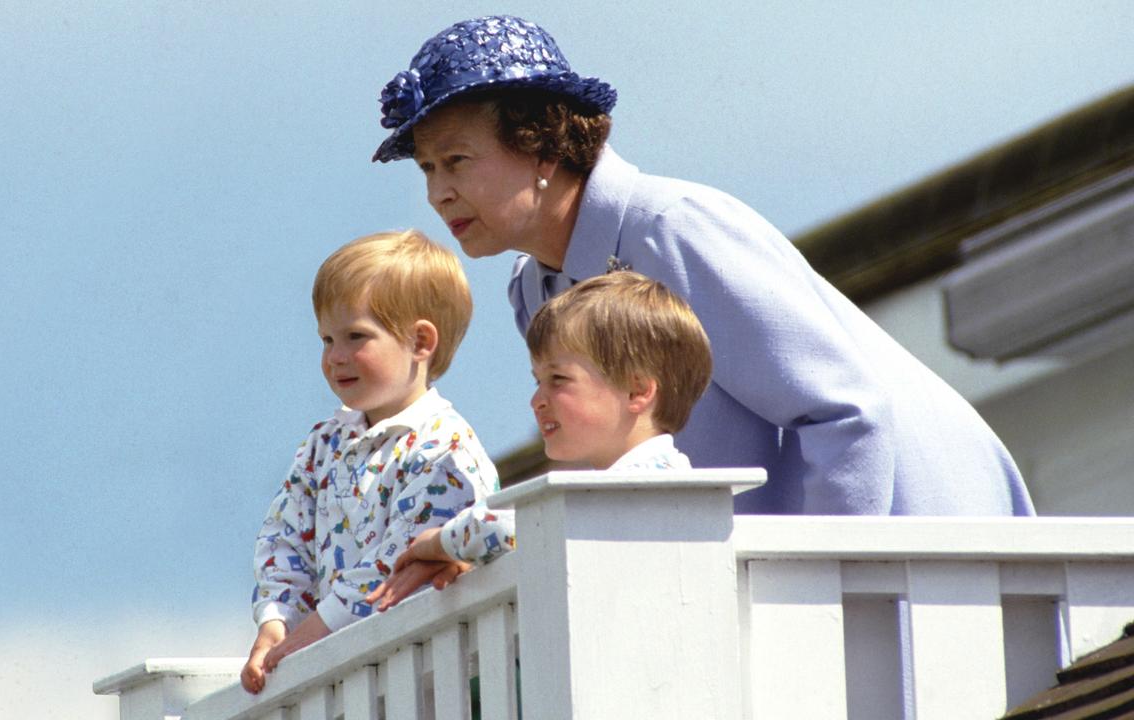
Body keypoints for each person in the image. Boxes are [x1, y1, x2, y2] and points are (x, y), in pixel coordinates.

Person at [371, 15, 1034, 517]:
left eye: (456, 160)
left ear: (540, 145)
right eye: (428, 168)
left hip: (928, 549)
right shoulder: (535, 288)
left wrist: (809, 601)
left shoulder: (672, 228)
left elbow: (845, 413)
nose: (437, 192)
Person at [240, 230, 499, 694]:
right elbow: (285, 533)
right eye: (326, 339)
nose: (335, 357)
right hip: (343, 678)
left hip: (427, 678)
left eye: (356, 336)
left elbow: (400, 559)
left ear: (421, 341)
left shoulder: (444, 448)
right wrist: (277, 620)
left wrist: (313, 633)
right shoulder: (324, 443)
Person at [368, 271, 711, 610]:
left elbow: (510, 525)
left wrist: (437, 543)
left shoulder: (647, 482)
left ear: (637, 391)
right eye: (538, 382)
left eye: (558, 379)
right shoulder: (630, 486)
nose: (537, 401)